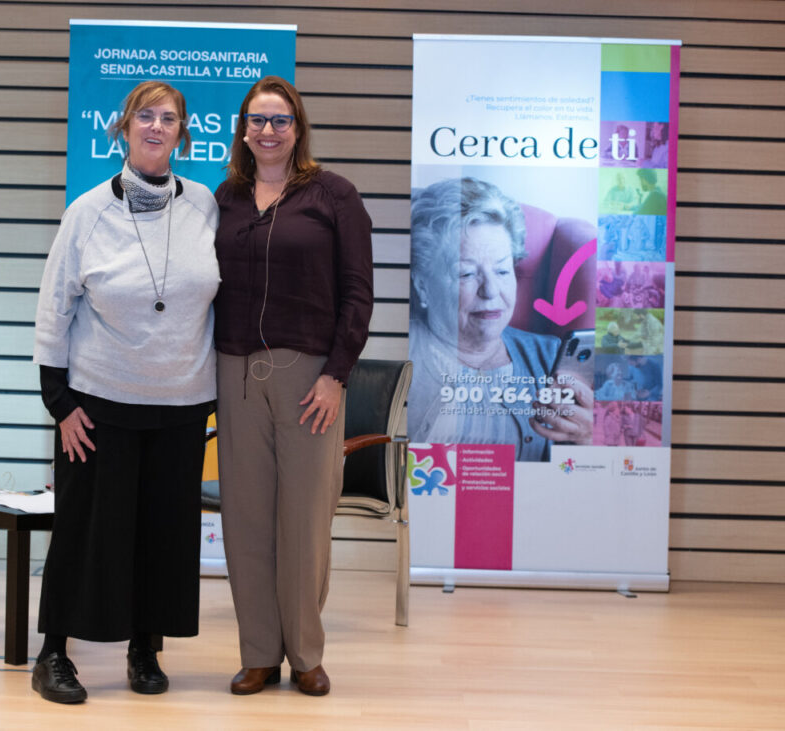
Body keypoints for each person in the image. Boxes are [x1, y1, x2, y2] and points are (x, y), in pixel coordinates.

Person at [30, 81, 220, 703]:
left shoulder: (205, 205)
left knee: (162, 535)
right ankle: (53, 652)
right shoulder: (86, 211)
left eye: (169, 118)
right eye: (146, 116)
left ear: (184, 134)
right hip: (97, 405)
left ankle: (145, 649)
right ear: (124, 127)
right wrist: (58, 402)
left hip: (181, 405)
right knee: (86, 532)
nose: (156, 127)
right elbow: (54, 307)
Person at [213, 76, 373, 697]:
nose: (268, 131)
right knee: (246, 521)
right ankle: (258, 652)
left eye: (280, 121)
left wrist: (337, 376)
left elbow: (358, 292)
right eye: (257, 120)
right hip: (235, 374)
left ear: (298, 128)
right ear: (243, 130)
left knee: (305, 521)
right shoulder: (223, 198)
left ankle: (305, 653)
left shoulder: (334, 196)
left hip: (312, 378)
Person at [408, 177, 594, 461]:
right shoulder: (401, 351)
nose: (491, 290)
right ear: (422, 286)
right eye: (466, 273)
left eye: (503, 271)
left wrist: (589, 441)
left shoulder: (551, 358)